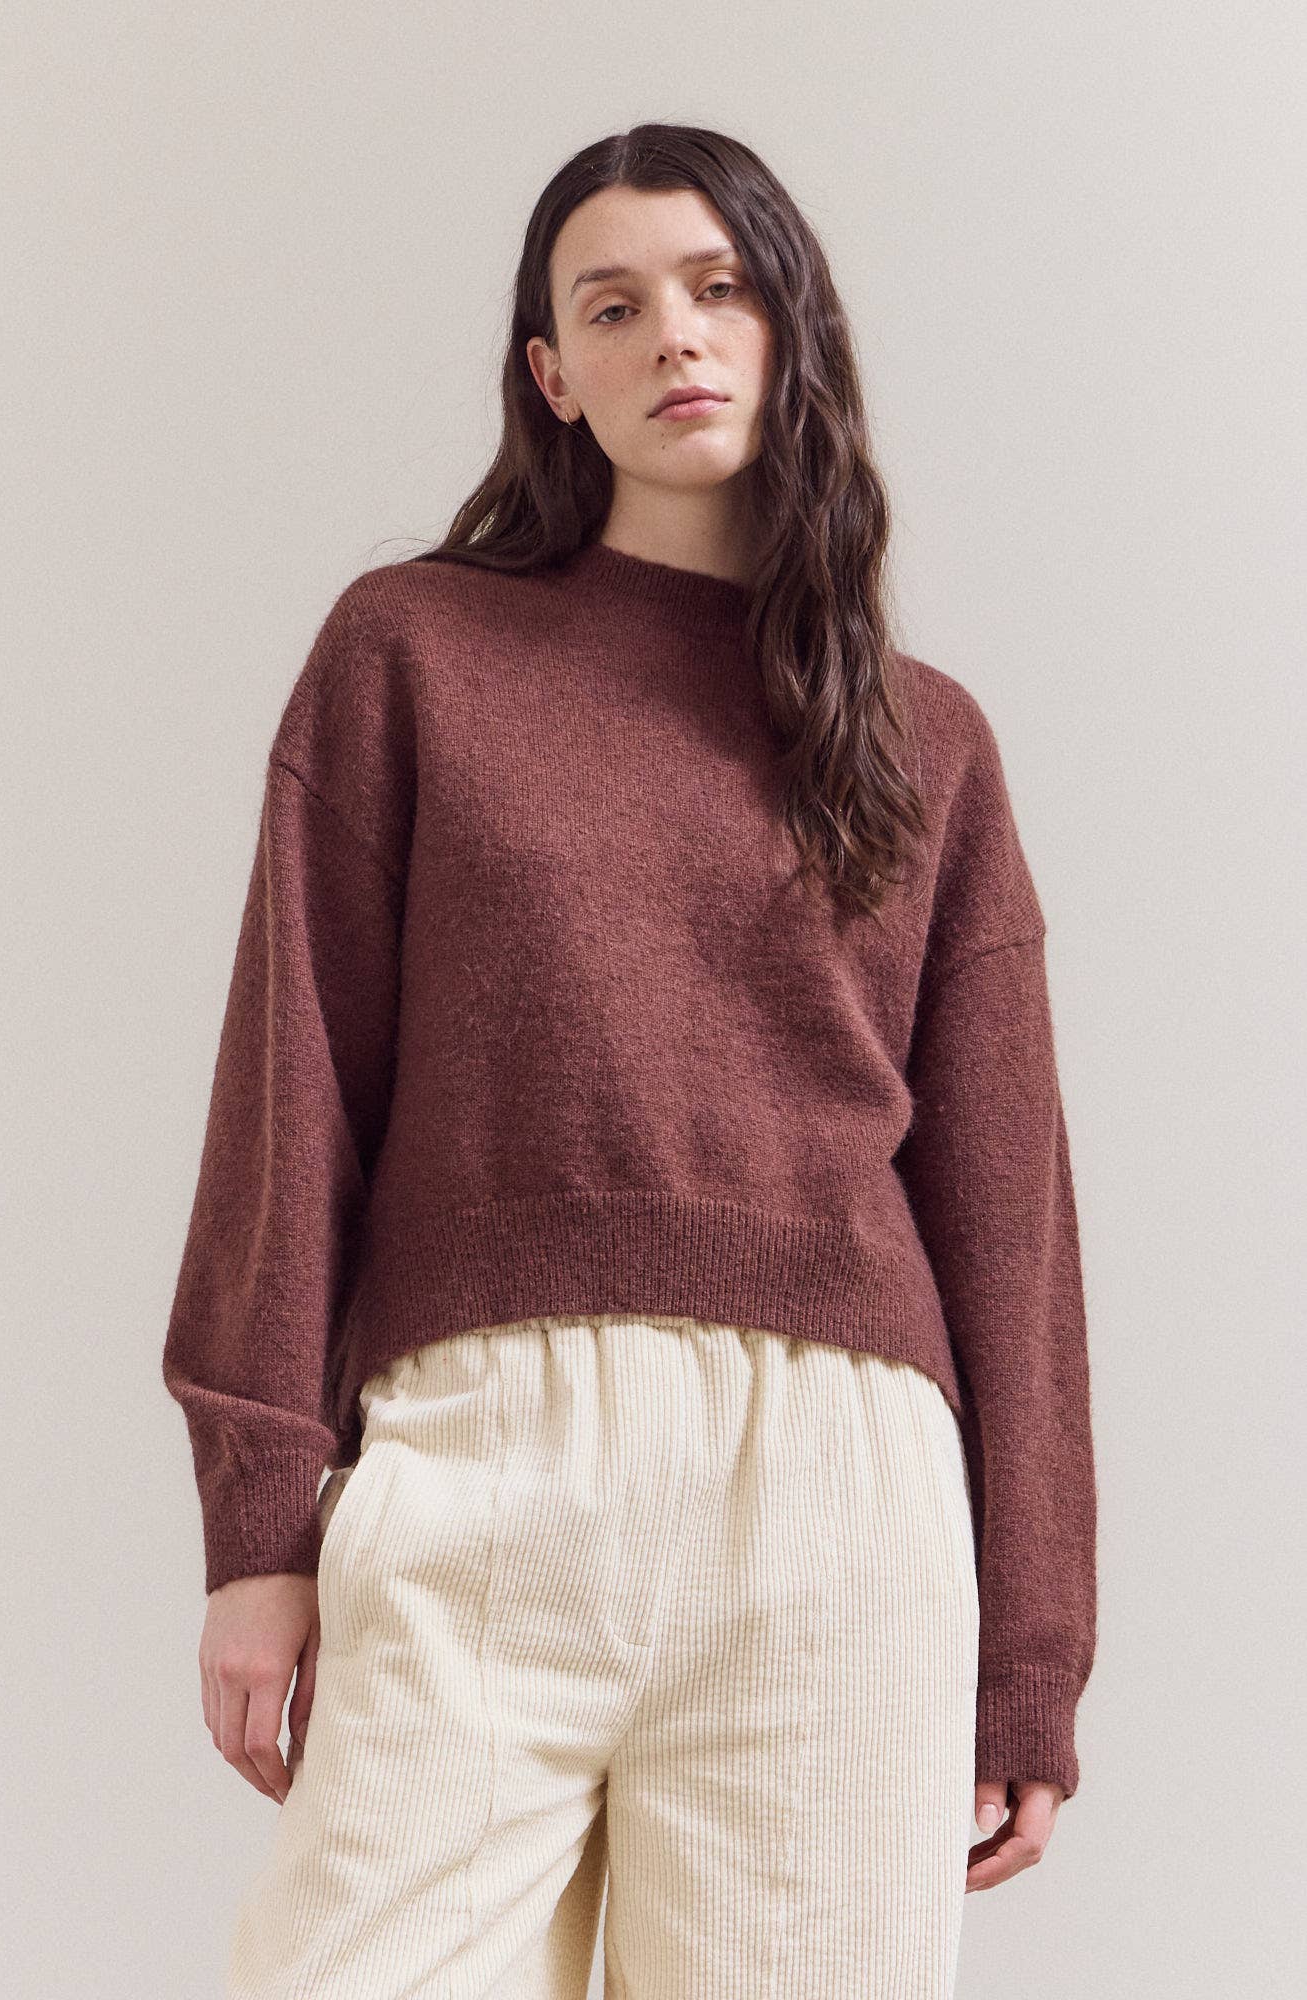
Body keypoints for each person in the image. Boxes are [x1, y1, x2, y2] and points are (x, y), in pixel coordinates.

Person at [163, 121, 1098, 1999]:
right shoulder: (413, 652)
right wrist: (260, 1518)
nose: (672, 332)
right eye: (611, 306)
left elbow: (1007, 1222)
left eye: (717, 286)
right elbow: (294, 1084)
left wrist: (1029, 1658)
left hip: (840, 1499)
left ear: (786, 328)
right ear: (552, 376)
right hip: (481, 1462)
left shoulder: (925, 741)